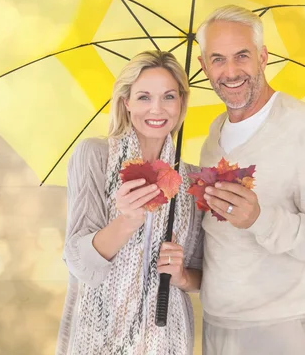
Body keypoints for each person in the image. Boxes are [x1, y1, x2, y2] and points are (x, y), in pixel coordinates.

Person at [194, 5, 305, 355]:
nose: (231, 71)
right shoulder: (214, 136)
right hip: (217, 322)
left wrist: (261, 219)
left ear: (263, 56)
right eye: (218, 59)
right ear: (203, 66)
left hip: (280, 328)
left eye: (242, 56)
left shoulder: (304, 127)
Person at [55, 50, 204, 355]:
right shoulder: (95, 156)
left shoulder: (191, 180)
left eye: (169, 97)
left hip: (166, 338)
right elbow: (80, 265)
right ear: (126, 102)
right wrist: (126, 221)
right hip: (97, 336)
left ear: (181, 104)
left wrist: (183, 275)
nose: (157, 109)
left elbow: (201, 275)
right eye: (144, 97)